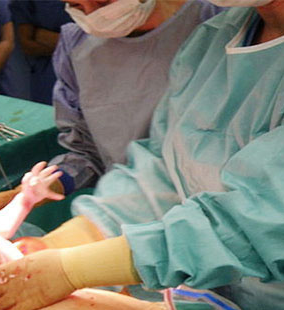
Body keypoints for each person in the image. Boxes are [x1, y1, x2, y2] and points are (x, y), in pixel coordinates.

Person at [0, 0, 284, 310]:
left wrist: (74, 269)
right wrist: (65, 243)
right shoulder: (218, 36)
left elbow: (274, 215)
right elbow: (163, 169)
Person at [48, 0, 222, 195]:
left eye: (103, 1)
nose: (92, 15)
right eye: (76, 5)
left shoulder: (217, 23)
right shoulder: (78, 46)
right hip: (129, 202)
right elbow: (87, 152)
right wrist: (52, 183)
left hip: (210, 200)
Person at [8, 0, 73, 104]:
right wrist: (77, 43)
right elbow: (28, 44)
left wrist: (47, 37)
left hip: (91, 71)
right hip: (49, 77)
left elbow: (96, 41)